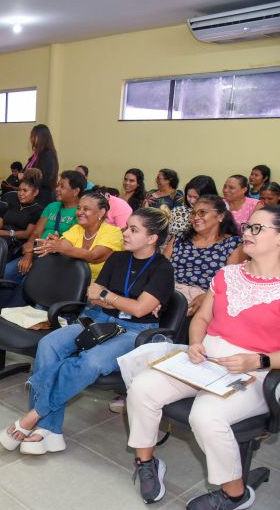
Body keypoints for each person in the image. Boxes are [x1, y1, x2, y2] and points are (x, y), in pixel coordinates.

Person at [127, 205, 280, 510]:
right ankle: (146, 463)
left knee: (206, 415)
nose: (246, 233)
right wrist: (195, 343)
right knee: (142, 386)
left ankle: (235, 494)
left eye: (257, 228)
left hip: (255, 371)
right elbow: (201, 319)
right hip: (205, 359)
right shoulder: (228, 274)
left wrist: (258, 361)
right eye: (247, 226)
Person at [0, 208, 173, 456]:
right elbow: (94, 293)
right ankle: (51, 430)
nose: (125, 233)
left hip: (135, 331)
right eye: (127, 227)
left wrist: (110, 298)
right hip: (99, 318)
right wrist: (120, 302)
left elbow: (139, 309)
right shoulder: (118, 258)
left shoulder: (163, 269)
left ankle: (34, 416)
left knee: (90, 361)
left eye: (134, 230)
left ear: (152, 238)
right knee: (49, 344)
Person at [1, 170, 87, 307]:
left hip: (56, 261)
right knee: (5, 274)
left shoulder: (81, 213)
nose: (57, 189)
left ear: (75, 191)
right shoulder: (52, 207)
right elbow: (36, 233)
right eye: (58, 185)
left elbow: (69, 245)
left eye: (62, 186)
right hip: (35, 252)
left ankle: (8, 314)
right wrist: (28, 254)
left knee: (27, 285)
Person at [164, 195, 243, 316]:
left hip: (204, 297)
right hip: (170, 290)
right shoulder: (180, 238)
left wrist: (207, 297)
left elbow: (230, 282)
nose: (195, 218)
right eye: (193, 213)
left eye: (202, 213)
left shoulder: (233, 244)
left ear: (220, 216)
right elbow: (161, 268)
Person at [35, 191, 124, 282]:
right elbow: (64, 246)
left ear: (101, 212)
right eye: (78, 208)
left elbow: (93, 256)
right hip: (71, 279)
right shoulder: (77, 229)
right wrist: (54, 246)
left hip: (99, 286)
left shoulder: (113, 233)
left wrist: (59, 247)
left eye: (86, 209)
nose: (79, 212)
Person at [0, 169, 44, 257]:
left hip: (14, 243)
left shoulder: (37, 210)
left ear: (35, 192)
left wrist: (1, 233)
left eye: (25, 191)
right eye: (19, 190)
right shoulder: (12, 204)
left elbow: (26, 234)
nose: (20, 194)